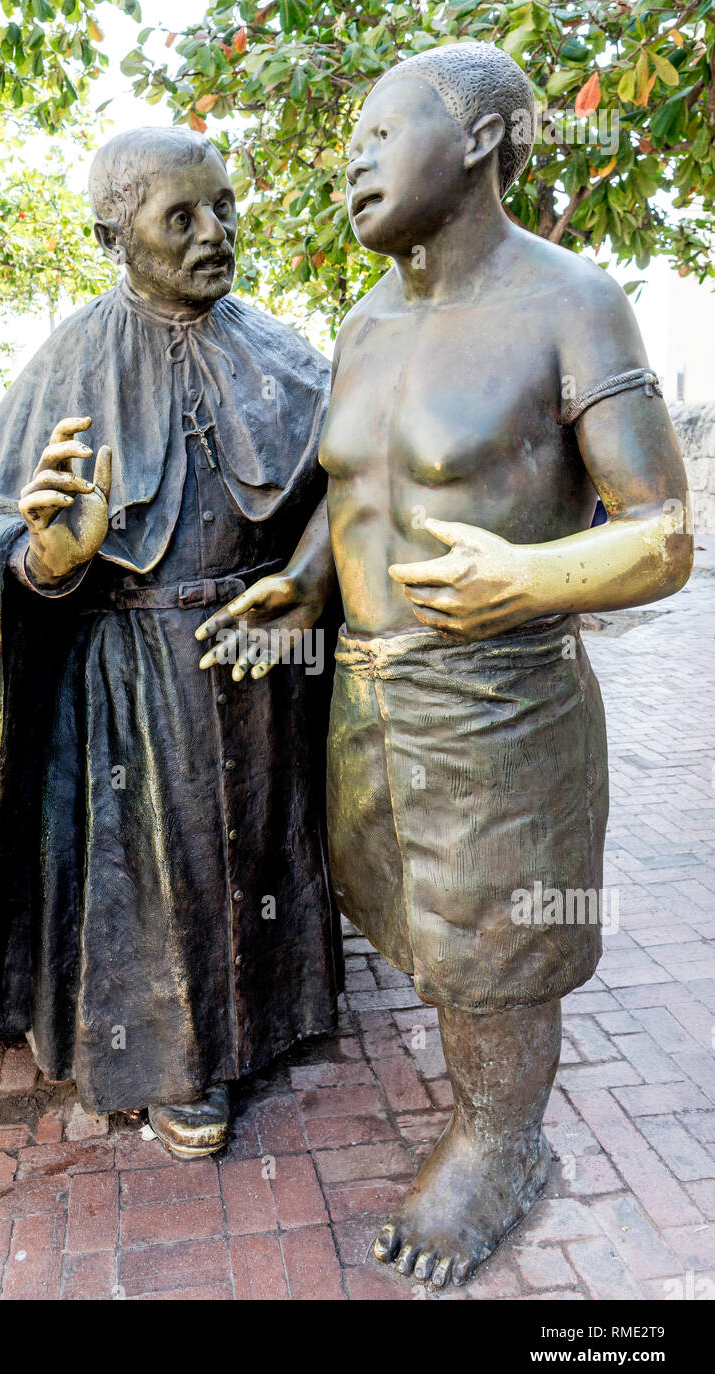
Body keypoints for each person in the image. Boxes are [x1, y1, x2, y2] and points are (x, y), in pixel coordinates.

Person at [205, 41, 692, 1283]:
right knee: (417, 920)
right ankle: (491, 1116)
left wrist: (524, 578)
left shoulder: (570, 301)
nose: (351, 162)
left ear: (479, 140)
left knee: (497, 943)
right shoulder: (365, 319)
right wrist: (306, 579)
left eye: (379, 131)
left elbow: (662, 535)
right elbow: (352, 482)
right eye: (349, 147)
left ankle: (501, 1145)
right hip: (370, 689)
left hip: (498, 701)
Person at [0, 127, 342, 1161]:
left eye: (224, 207)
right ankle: (175, 1062)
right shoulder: (72, 358)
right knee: (157, 884)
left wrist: (305, 584)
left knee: (260, 850)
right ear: (115, 233)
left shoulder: (283, 351)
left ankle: (279, 1010)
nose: (216, 233)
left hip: (262, 665)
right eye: (181, 217)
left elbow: (358, 482)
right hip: (132, 682)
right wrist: (44, 561)